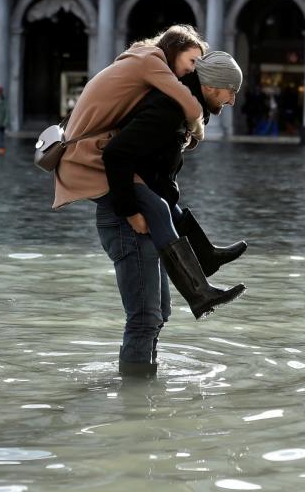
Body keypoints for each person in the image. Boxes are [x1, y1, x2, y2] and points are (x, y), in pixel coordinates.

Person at [52, 25, 244, 378]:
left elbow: (156, 174)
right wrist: (130, 212)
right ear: (212, 85)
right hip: (126, 217)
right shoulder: (167, 100)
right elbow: (118, 154)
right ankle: (134, 399)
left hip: (140, 211)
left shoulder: (172, 105)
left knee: (159, 314)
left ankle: (145, 392)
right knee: (144, 317)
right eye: (230, 92)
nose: (231, 101)